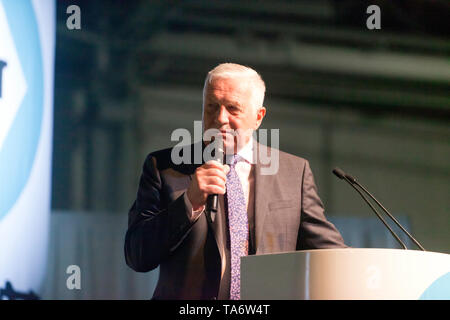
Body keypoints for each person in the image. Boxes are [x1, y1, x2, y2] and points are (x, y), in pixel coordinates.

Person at [124, 63, 346, 300]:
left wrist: (375, 273)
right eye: (211, 106)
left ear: (258, 117)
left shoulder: (294, 173)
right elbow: (137, 256)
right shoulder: (164, 167)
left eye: (233, 108)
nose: (220, 118)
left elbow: (330, 254)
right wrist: (189, 202)